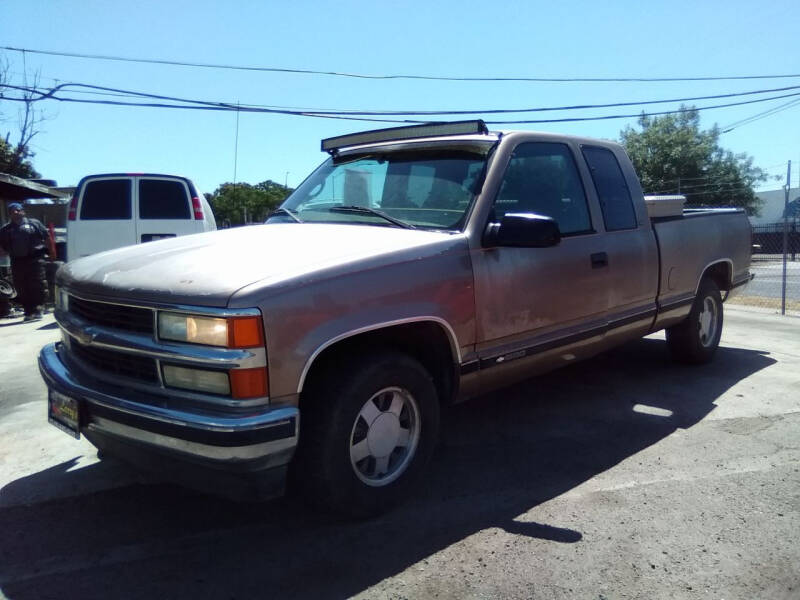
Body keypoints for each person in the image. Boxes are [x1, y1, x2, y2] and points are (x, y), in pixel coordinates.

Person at [0, 202, 50, 321]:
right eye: (12, 211)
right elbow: (1, 246)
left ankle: (38, 309)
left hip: (35, 260)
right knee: (22, 287)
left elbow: (47, 238)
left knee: (37, 285)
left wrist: (51, 254)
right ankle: (28, 311)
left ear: (23, 211)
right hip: (17, 261)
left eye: (17, 210)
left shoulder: (34, 223)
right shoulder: (6, 229)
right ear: (9, 214)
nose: (15, 212)